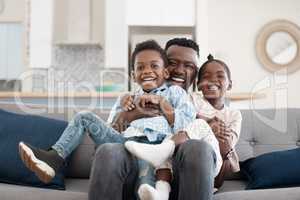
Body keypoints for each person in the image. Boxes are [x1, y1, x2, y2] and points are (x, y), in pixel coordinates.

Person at [18, 40, 195, 198]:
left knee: (145, 187)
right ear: (133, 75)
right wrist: (130, 114)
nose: (147, 71)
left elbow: (187, 124)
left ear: (165, 73)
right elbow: (112, 130)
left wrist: (162, 103)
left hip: (153, 150)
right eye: (140, 67)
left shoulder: (174, 93)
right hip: (124, 144)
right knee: (84, 117)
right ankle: (54, 158)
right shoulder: (127, 98)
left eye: (154, 66)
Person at [90, 38, 241, 200]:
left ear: (196, 74)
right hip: (132, 174)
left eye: (189, 66)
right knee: (108, 150)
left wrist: (218, 138)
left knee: (198, 147)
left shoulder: (200, 105)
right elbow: (104, 141)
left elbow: (218, 172)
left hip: (184, 181)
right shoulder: (132, 98)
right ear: (161, 65)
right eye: (172, 62)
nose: (179, 70)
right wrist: (130, 114)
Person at [123, 54, 242, 199]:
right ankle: (161, 193)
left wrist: (205, 123)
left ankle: (163, 149)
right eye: (206, 76)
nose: (212, 80)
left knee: (198, 125)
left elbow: (227, 143)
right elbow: (182, 120)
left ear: (229, 84)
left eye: (220, 76)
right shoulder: (192, 98)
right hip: (180, 158)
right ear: (198, 84)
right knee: (169, 138)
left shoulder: (233, 114)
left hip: (213, 164)